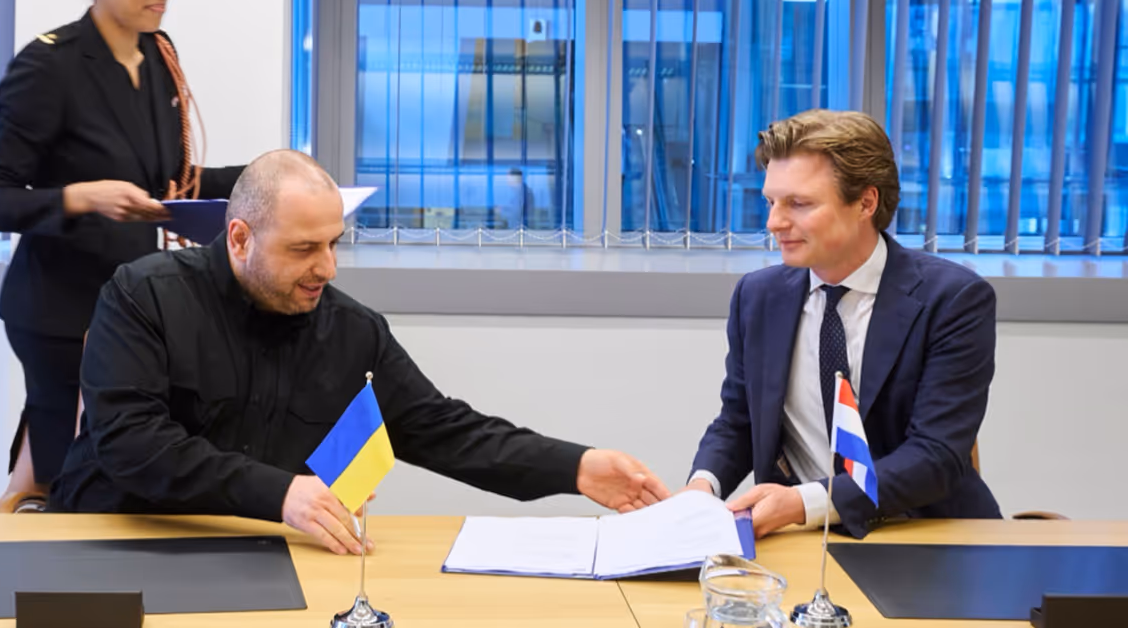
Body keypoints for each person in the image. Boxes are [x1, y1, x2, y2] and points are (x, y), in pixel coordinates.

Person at [50, 150, 670, 554]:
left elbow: (450, 432)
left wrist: (577, 467)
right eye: (303, 249)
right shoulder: (143, 296)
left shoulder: (351, 332)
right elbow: (133, 446)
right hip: (115, 538)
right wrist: (282, 493)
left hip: (256, 555)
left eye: (334, 243)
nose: (327, 268)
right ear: (239, 239)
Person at [0, 0, 243, 512]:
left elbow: (168, 178)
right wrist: (80, 198)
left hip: (133, 309)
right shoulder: (50, 65)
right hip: (60, 313)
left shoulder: (159, 53)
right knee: (66, 482)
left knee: (112, 472)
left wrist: (268, 178)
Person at [684, 109, 1000, 539]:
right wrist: (703, 487)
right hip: (804, 541)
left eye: (799, 203)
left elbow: (936, 456)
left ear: (865, 203)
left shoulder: (952, 300)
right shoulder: (758, 296)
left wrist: (803, 502)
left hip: (925, 534)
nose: (774, 223)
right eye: (771, 202)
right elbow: (739, 420)